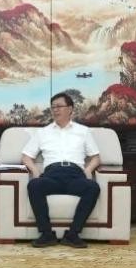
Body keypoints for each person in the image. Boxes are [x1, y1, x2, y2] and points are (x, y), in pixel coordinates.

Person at [19, 92, 102, 249]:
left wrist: (88, 170)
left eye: (59, 106)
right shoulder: (43, 132)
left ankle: (72, 235)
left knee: (93, 187)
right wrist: (36, 172)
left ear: (70, 109)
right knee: (34, 185)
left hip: (75, 176)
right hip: (52, 175)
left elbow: (96, 158)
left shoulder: (83, 131)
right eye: (53, 107)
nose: (55, 110)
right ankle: (46, 234)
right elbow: (26, 157)